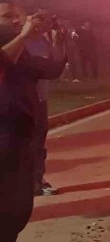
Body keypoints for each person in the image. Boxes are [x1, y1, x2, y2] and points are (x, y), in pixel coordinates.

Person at [1, 1, 66, 242]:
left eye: (17, 16)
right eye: (7, 16)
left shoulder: (20, 51)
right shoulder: (11, 48)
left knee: (17, 210)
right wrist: (25, 35)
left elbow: (51, 69)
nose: (16, 20)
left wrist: (57, 38)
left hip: (19, 140)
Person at [24, 15, 65, 196]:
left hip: (41, 99)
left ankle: (38, 180)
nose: (44, 25)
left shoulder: (44, 41)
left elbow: (55, 66)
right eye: (39, 20)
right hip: (22, 100)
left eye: (47, 22)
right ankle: (25, 183)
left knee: (39, 142)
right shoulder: (18, 41)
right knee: (23, 143)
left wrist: (58, 40)